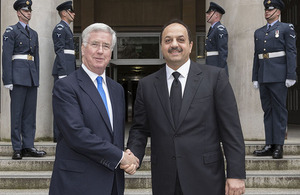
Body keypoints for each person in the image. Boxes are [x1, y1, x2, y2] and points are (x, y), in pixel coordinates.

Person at [125, 19, 245, 195]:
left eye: (180, 40)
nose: (174, 45)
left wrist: (236, 174)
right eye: (168, 40)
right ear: (161, 47)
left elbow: (231, 130)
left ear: (190, 46)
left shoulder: (215, 78)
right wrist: (133, 155)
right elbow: (140, 129)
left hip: (207, 178)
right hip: (165, 180)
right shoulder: (147, 85)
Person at [49, 23, 139, 195]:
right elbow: (76, 134)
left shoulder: (117, 90)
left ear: (110, 53)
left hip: (112, 183)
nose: (100, 51)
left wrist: (128, 154)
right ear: (83, 49)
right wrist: (120, 156)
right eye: (95, 44)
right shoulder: (66, 87)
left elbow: (115, 136)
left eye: (106, 46)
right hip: (77, 184)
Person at [2, 0, 46, 160]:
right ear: (18, 12)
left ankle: (28, 145)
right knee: (17, 113)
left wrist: (37, 78)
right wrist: (7, 79)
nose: (29, 13)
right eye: (26, 11)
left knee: (30, 114)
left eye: (30, 11)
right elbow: (6, 57)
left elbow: (36, 58)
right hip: (17, 76)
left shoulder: (33, 33)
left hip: (31, 76)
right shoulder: (11, 31)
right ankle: (17, 147)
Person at [252, 0, 297, 159]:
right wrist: (255, 77)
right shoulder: (259, 32)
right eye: (265, 9)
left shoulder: (286, 28)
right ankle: (269, 144)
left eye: (270, 9)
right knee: (268, 111)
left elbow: (291, 52)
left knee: (279, 111)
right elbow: (257, 56)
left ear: (277, 12)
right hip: (264, 75)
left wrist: (291, 74)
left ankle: (279, 145)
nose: (267, 12)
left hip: (278, 76)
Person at [52, 1, 76, 142]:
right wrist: (62, 72)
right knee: (61, 102)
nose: (73, 14)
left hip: (68, 69)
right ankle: (58, 134)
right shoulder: (60, 28)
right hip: (64, 70)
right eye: (70, 11)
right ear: (63, 13)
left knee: (68, 103)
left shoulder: (66, 28)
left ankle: (64, 132)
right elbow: (59, 51)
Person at [205, 2, 229, 75]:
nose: (207, 15)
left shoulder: (219, 29)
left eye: (209, 13)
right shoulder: (213, 29)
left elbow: (223, 52)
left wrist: (220, 71)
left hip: (216, 68)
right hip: (211, 66)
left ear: (216, 15)